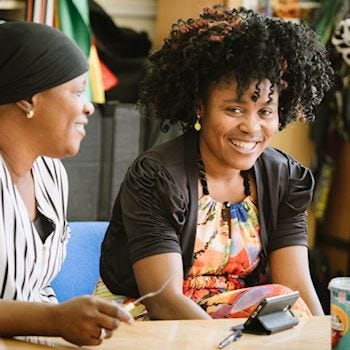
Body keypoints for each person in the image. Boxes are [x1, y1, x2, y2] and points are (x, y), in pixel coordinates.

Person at [96, 6, 334, 320]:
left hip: (233, 324)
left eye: (265, 111)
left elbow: (297, 286)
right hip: (145, 320)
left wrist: (325, 339)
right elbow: (162, 300)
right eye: (234, 109)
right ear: (199, 107)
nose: (251, 127)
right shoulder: (157, 177)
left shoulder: (285, 179)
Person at [0, 21, 132, 345]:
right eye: (76, 91)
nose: (88, 106)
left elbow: (35, 286)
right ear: (28, 99)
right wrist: (54, 320)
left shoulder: (51, 174)